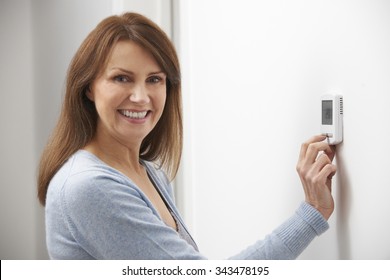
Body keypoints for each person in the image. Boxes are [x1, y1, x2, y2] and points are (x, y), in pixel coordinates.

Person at [37, 12, 337, 260]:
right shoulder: (90, 188)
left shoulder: (150, 173)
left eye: (154, 79)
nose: (141, 97)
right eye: (121, 78)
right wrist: (311, 214)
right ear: (89, 87)